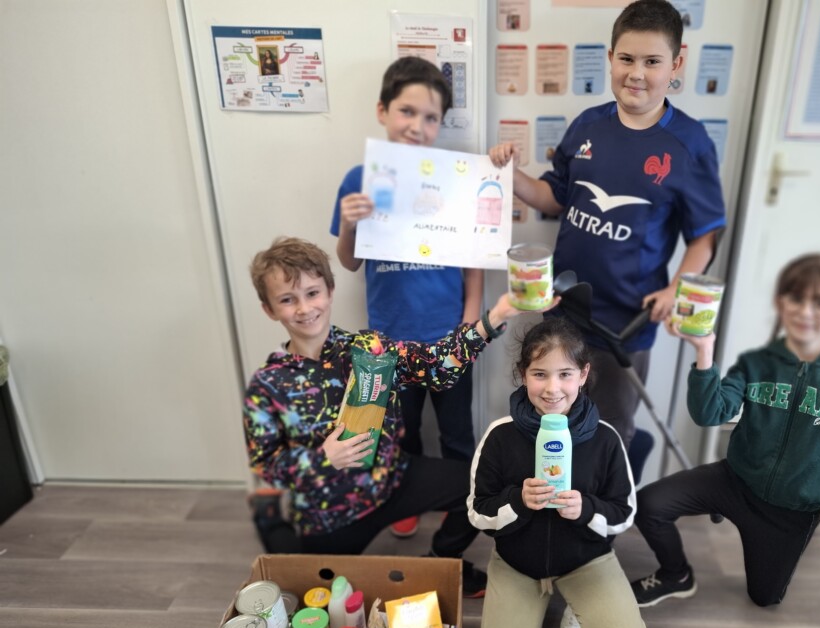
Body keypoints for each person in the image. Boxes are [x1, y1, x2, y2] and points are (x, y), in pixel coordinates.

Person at [488, 0, 726, 454]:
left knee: (610, 432)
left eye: (652, 62)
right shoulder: (587, 125)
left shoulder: (690, 143)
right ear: (611, 57)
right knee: (554, 420)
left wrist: (676, 289)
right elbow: (553, 196)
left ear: (676, 64)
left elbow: (704, 237)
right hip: (563, 311)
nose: (637, 73)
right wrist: (511, 175)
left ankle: (606, 498)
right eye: (627, 59)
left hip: (627, 324)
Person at [243, 237, 522, 597]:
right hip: (330, 513)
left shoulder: (369, 348)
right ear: (269, 309)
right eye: (287, 300)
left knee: (483, 484)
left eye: (312, 293)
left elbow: (438, 367)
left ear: (329, 291)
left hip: (393, 480)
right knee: (322, 599)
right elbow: (266, 464)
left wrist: (496, 316)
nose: (304, 308)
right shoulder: (267, 384)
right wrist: (323, 458)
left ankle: (441, 560)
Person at [630, 253, 820, 608]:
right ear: (781, 303)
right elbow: (709, 414)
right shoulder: (756, 363)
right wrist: (704, 350)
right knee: (648, 504)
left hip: (790, 511)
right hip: (734, 481)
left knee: (764, 598)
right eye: (796, 299)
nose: (805, 311)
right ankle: (676, 575)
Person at [331, 56, 483, 538]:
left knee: (457, 431)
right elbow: (349, 263)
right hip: (389, 341)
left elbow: (473, 257)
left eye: (430, 117)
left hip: (449, 337)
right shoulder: (358, 180)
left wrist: (470, 323)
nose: (418, 126)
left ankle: (463, 505)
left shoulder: (454, 179)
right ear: (383, 111)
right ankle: (407, 498)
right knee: (401, 430)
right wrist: (349, 224)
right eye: (406, 111)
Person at [468, 318, 648, 628]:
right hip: (517, 564)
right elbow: (477, 511)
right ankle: (531, 607)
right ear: (523, 375)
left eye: (565, 374)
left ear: (583, 375)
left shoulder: (605, 438)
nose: (553, 388)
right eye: (540, 374)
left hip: (586, 560)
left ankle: (578, 607)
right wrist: (517, 500)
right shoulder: (500, 436)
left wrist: (587, 509)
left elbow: (624, 513)